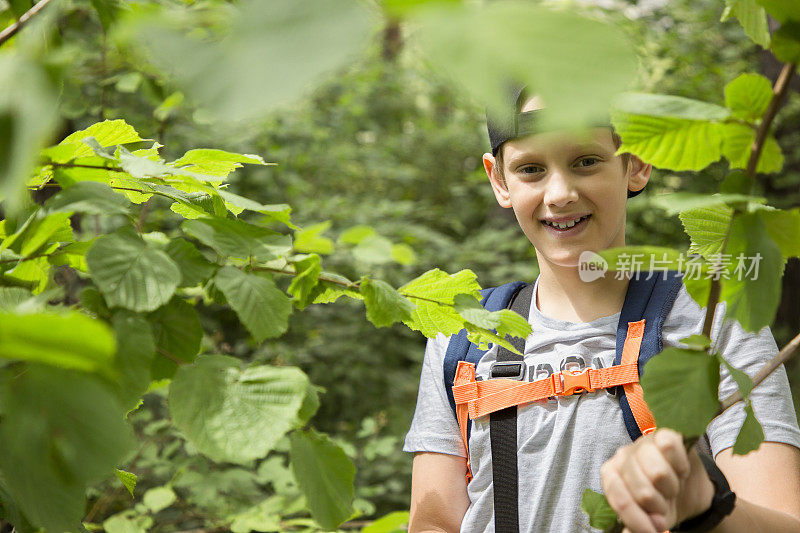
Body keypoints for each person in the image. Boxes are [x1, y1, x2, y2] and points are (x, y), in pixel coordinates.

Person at [402, 90, 800, 533]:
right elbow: (434, 522)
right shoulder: (464, 337)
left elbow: (784, 521)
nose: (560, 194)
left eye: (586, 161)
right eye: (531, 169)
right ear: (500, 182)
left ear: (636, 162)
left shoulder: (717, 319)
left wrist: (704, 505)